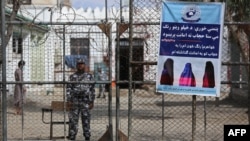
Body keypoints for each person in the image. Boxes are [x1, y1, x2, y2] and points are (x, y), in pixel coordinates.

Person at [66, 58, 96, 141]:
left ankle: (87, 136)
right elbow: (69, 89)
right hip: (75, 101)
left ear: (84, 65)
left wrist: (92, 101)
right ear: (76, 65)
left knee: (86, 119)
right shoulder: (72, 76)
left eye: (82, 64)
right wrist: (69, 100)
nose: (80, 65)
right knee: (73, 120)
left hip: (85, 101)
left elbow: (92, 89)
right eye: (79, 64)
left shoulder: (89, 76)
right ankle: (72, 136)